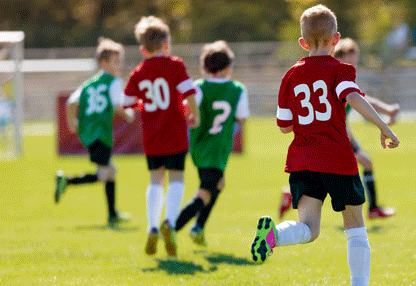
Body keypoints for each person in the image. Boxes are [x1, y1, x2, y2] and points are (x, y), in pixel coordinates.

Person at [250, 5, 399, 286]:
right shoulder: (341, 69)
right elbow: (352, 97)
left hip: (303, 159)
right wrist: (384, 126)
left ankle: (276, 236)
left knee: (309, 227)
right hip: (337, 158)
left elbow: (284, 125)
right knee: (355, 226)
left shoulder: (291, 75)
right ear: (336, 38)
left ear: (303, 42)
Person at [278, 38, 399, 220]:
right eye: (352, 55)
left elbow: (361, 98)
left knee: (347, 169)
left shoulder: (335, 74)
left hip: (330, 138)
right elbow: (355, 98)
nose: (355, 60)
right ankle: (370, 211)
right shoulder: (337, 73)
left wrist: (387, 110)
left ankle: (371, 209)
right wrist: (383, 124)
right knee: (347, 173)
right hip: (336, 138)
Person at [123, 16, 201, 257]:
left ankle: (152, 227)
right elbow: (188, 92)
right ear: (167, 43)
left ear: (142, 49)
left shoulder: (139, 72)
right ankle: (170, 222)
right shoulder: (175, 65)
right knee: (177, 178)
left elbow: (126, 104)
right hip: (176, 131)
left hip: (152, 134)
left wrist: (143, 107)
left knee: (155, 179)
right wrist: (194, 114)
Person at [173, 40, 249, 246]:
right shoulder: (237, 89)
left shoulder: (197, 88)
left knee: (218, 184)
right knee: (205, 192)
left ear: (205, 67)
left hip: (198, 147)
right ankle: (173, 227)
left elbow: (187, 110)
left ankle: (198, 228)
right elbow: (241, 119)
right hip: (217, 149)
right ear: (228, 67)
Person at [55, 37, 134, 226]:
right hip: (101, 133)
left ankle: (112, 214)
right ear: (103, 62)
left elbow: (71, 102)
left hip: (89, 133)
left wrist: (71, 122)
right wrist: (129, 115)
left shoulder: (88, 83)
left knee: (111, 171)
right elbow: (117, 105)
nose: (119, 65)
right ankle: (66, 181)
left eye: (120, 61)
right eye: (115, 62)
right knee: (104, 175)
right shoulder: (113, 82)